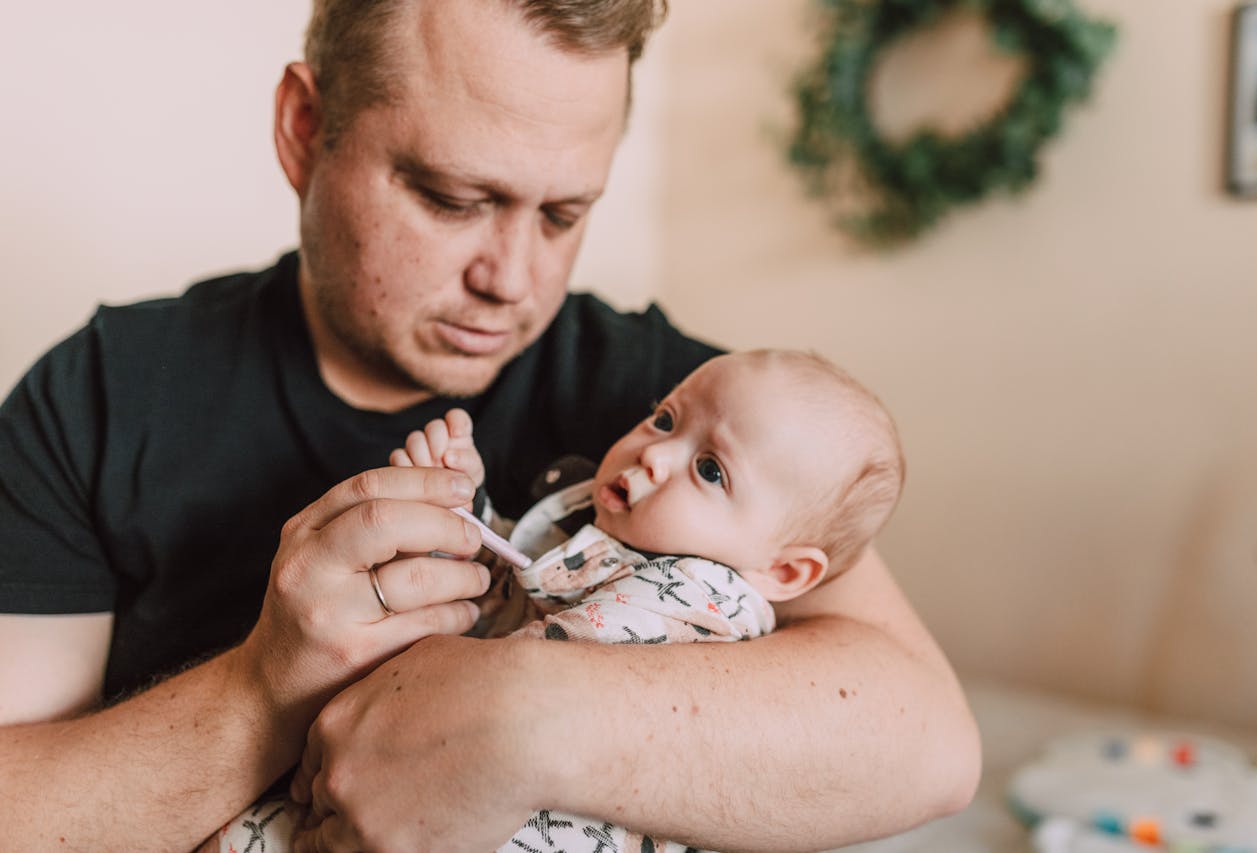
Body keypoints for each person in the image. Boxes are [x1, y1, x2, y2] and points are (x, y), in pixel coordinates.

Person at [0, 0, 980, 850]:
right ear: (306, 128)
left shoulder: (671, 403)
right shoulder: (101, 395)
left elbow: (924, 739)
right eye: (451, 199)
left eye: (562, 215)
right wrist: (260, 691)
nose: (511, 280)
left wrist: (522, 716)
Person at [213, 348, 907, 852]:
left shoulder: (700, 596)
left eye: (709, 469)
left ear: (784, 571)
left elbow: (528, 631)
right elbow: (518, 576)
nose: (653, 454)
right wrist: (463, 504)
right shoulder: (599, 529)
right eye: (665, 418)